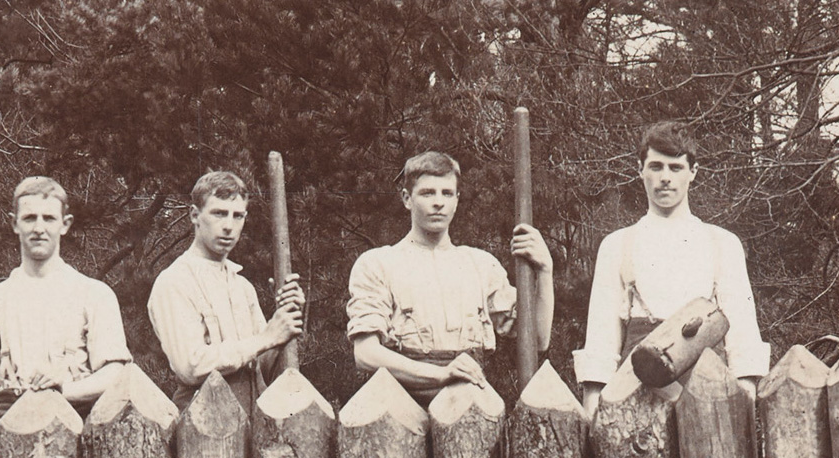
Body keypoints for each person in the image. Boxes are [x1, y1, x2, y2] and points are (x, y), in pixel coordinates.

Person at [574, 121, 770, 415]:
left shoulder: (722, 244)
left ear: (693, 172)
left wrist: (744, 405)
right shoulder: (618, 245)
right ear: (640, 170)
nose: (665, 178)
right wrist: (593, 412)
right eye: (655, 166)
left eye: (675, 168)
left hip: (707, 394)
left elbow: (742, 338)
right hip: (636, 392)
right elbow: (602, 342)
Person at [346, 151, 554, 404]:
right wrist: (441, 375)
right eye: (427, 193)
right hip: (399, 405)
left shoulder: (480, 265)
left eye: (446, 193)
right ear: (407, 199)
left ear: (457, 199)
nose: (438, 203)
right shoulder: (378, 263)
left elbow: (538, 340)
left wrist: (544, 271)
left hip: (468, 404)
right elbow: (366, 354)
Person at [0, 176, 131, 428]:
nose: (38, 228)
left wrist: (65, 389)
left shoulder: (94, 294)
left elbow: (115, 373)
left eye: (48, 218)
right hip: (9, 420)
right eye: (29, 218)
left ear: (65, 225)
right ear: (14, 224)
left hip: (77, 418)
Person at [147, 170, 305, 410]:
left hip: (252, 415)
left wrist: (285, 320)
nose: (229, 226)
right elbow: (191, 366)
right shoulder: (174, 282)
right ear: (195, 215)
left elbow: (263, 368)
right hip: (202, 421)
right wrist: (266, 338)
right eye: (219, 213)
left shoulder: (242, 287)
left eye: (237, 216)